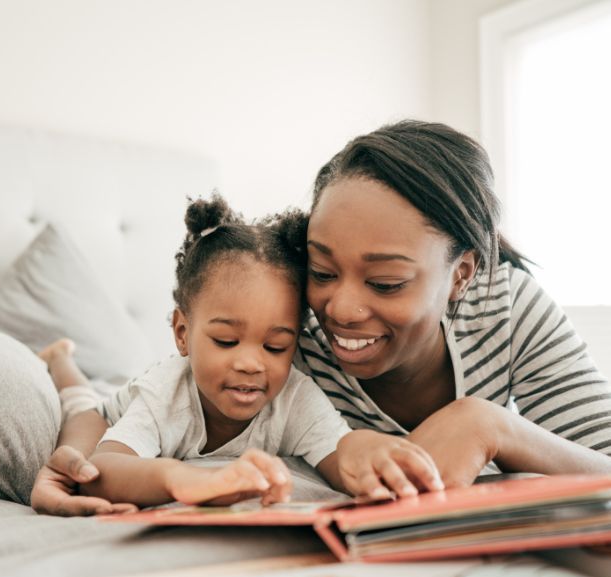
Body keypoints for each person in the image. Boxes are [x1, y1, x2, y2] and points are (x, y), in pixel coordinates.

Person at [35, 120, 611, 516]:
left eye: (385, 282)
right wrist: (69, 464)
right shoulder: (284, 335)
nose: (340, 309)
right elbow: (138, 406)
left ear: (461, 274)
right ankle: (61, 360)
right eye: (322, 271)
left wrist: (492, 426)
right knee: (84, 389)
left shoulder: (510, 309)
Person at [31, 195, 443, 515]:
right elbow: (106, 469)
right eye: (227, 342)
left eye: (275, 347)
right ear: (182, 333)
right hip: (110, 412)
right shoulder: (165, 394)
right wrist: (183, 478)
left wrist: (370, 454)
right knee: (82, 407)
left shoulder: (295, 398)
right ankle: (61, 359)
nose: (251, 363)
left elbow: (340, 453)